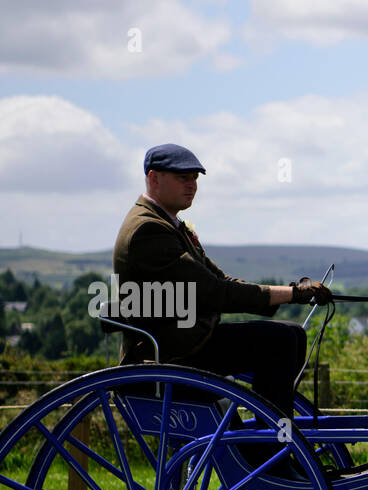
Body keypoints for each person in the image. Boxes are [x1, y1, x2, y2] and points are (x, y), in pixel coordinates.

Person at [112, 143, 332, 420]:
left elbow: (218, 279)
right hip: (172, 353)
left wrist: (293, 292)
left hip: (184, 342)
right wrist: (292, 293)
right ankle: (269, 446)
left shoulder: (166, 223)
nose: (192, 185)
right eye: (183, 178)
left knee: (293, 335)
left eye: (194, 178)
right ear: (154, 178)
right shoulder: (149, 229)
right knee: (283, 340)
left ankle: (265, 436)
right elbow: (214, 291)